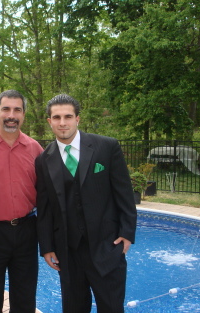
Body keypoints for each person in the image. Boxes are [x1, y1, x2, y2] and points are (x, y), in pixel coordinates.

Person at [35, 94, 137, 313]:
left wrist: (127, 232)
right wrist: (47, 247)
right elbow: (44, 208)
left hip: (106, 246)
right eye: (57, 117)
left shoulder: (106, 147)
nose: (63, 122)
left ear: (78, 119)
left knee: (111, 308)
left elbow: (125, 194)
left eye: (68, 116)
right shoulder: (43, 160)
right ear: (49, 121)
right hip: (68, 253)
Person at [0, 90, 44, 313]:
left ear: (23, 115)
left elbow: (47, 194)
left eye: (17, 110)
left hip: (26, 231)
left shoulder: (35, 150)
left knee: (24, 297)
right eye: (6, 109)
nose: (11, 115)